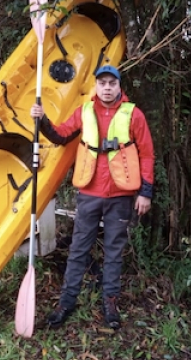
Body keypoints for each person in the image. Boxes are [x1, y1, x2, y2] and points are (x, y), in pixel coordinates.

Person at [30, 64, 155, 329]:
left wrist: (145, 192)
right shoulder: (85, 111)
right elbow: (61, 135)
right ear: (96, 86)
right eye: (102, 83)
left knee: (113, 252)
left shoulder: (134, 115)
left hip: (121, 195)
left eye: (112, 83)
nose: (107, 88)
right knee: (78, 250)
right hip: (89, 194)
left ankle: (110, 301)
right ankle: (67, 301)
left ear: (119, 86)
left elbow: (146, 154)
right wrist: (41, 120)